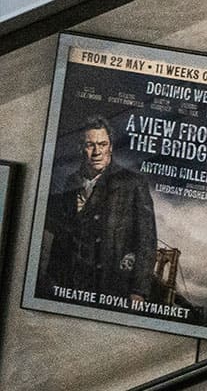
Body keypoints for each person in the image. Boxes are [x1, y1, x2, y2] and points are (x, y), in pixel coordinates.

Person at [40, 116, 157, 305]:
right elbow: (61, 238)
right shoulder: (71, 182)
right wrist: (51, 280)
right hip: (70, 286)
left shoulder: (132, 182)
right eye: (90, 145)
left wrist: (139, 291)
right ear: (81, 148)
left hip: (111, 287)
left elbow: (146, 240)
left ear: (110, 147)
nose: (97, 152)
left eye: (102, 144)